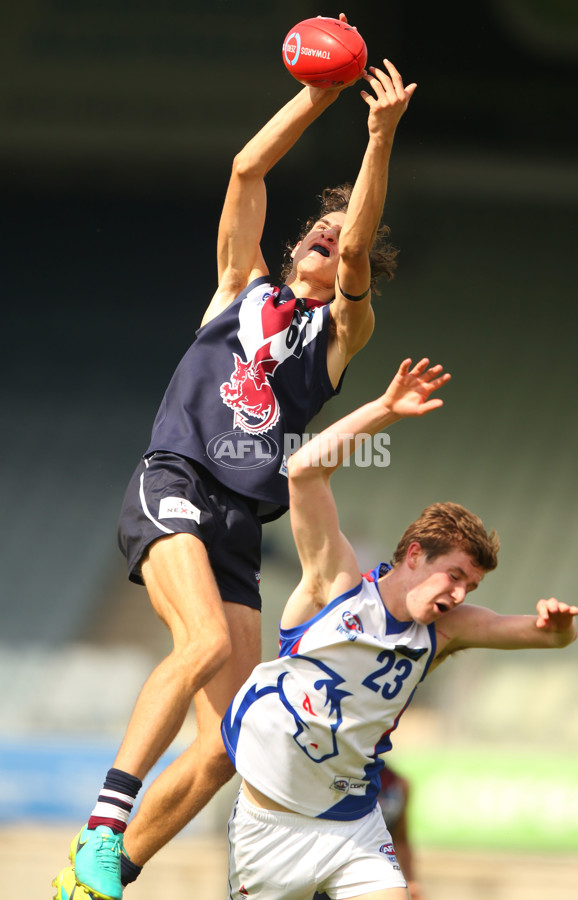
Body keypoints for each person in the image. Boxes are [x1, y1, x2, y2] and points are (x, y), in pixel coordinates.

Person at [51, 15, 418, 900]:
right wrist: (315, 97)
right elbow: (247, 170)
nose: (326, 237)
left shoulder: (339, 335)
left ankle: (98, 879)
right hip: (175, 477)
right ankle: (104, 826)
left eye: (339, 239)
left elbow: (363, 243)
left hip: (236, 526)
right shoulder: (238, 286)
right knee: (203, 639)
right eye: (318, 229)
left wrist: (378, 141)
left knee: (228, 742)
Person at [221, 358, 578, 900]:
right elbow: (303, 470)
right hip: (271, 825)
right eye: (454, 576)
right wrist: (385, 411)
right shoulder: (337, 584)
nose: (459, 595)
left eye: (471, 587)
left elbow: (544, 637)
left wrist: (559, 628)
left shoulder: (448, 629)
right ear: (414, 554)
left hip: (354, 825)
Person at [313, 765, 424, 900]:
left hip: (370, 870)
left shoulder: (398, 784)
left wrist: (411, 880)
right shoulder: (333, 777)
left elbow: (400, 838)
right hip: (325, 863)